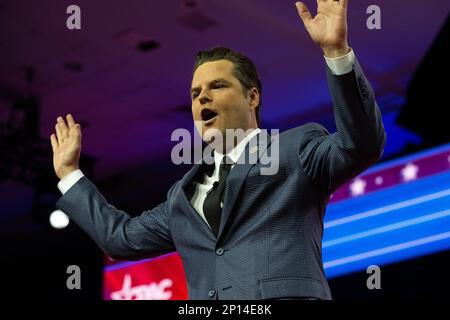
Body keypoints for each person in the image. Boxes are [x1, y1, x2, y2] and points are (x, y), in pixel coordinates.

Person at [50, 0, 386, 300]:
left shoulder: (295, 148)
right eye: (195, 93)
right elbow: (119, 239)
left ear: (252, 97)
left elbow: (362, 145)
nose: (202, 98)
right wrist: (69, 175)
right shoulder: (181, 196)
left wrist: (336, 53)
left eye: (218, 86)